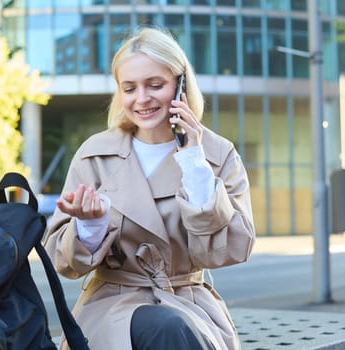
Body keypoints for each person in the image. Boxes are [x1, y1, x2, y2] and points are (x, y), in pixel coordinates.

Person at [44, 26, 255, 350]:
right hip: (111, 306)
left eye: (155, 85)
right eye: (129, 88)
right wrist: (90, 225)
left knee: (171, 328)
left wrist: (193, 163)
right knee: (164, 329)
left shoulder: (215, 154)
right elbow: (63, 263)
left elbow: (232, 249)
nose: (141, 99)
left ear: (181, 86)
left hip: (188, 303)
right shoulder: (95, 153)